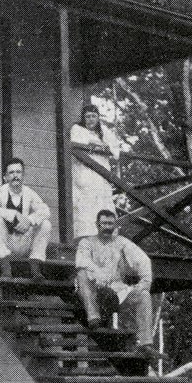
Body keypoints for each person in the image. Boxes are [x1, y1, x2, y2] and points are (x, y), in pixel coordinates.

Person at [75, 209, 160, 362]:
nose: (107, 227)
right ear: (97, 224)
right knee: (82, 273)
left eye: (111, 224)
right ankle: (93, 317)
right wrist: (98, 273)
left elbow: (142, 259)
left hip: (114, 291)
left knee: (143, 295)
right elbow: (82, 262)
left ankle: (145, 343)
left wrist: (145, 281)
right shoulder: (86, 242)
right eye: (104, 223)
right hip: (91, 292)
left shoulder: (121, 242)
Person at [0, 158, 52, 268]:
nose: (15, 176)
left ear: (23, 176)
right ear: (5, 177)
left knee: (45, 224)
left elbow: (45, 210)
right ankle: (5, 265)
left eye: (18, 172)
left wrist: (29, 220)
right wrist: (13, 214)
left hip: (22, 242)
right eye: (11, 172)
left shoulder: (29, 193)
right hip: (3, 242)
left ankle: (35, 264)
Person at [69, 103, 120, 241]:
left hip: (101, 172)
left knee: (102, 200)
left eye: (94, 116)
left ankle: (105, 231)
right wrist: (98, 146)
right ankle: (86, 234)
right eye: (87, 116)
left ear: (98, 118)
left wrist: (103, 147)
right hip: (85, 170)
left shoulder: (103, 131)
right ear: (83, 118)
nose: (91, 119)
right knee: (86, 201)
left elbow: (114, 148)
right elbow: (79, 145)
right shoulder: (77, 129)